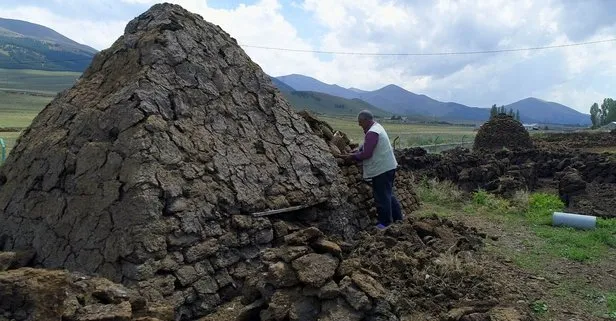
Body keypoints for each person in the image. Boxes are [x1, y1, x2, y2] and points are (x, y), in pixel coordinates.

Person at [343, 110, 402, 229]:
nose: (359, 125)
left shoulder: (372, 132)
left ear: (366, 120)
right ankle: (398, 219)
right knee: (388, 194)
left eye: (360, 122)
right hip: (388, 166)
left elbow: (367, 154)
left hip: (382, 169)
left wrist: (353, 157)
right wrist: (359, 150)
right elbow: (368, 145)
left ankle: (384, 224)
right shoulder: (377, 127)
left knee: (381, 197)